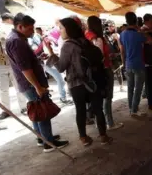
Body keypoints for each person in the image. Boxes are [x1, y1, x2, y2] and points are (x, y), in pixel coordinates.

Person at [5, 13, 69, 153]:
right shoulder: (17, 42)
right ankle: (49, 142)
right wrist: (38, 87)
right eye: (30, 29)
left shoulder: (16, 39)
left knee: (35, 109)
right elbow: (26, 69)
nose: (32, 32)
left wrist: (37, 57)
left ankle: (42, 138)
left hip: (27, 83)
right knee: (41, 111)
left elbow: (26, 63)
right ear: (20, 26)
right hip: (30, 84)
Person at [47, 17, 113, 146]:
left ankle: (84, 137)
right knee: (98, 109)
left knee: (81, 110)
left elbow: (61, 67)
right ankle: (103, 135)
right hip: (92, 82)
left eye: (61, 28)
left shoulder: (68, 45)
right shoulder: (85, 41)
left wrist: (51, 53)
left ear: (69, 29)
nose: (59, 31)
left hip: (76, 84)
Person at [86, 16, 124, 130]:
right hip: (104, 70)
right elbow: (100, 57)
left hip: (93, 72)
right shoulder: (97, 39)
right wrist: (109, 57)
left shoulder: (86, 36)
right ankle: (109, 123)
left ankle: (101, 122)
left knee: (98, 98)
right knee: (107, 97)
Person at [119, 12, 152, 117]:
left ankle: (131, 108)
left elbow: (122, 51)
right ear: (136, 21)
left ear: (126, 21)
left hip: (128, 64)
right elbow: (151, 41)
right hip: (138, 64)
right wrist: (141, 31)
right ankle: (134, 110)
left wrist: (123, 62)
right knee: (138, 89)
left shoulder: (122, 34)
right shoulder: (138, 35)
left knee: (130, 88)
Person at [29, 27, 72, 104]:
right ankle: (63, 98)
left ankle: (64, 96)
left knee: (61, 80)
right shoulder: (48, 40)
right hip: (50, 64)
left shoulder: (54, 40)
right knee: (61, 80)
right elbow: (48, 52)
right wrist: (53, 53)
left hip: (53, 63)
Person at [141, 14, 152, 111]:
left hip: (151, 61)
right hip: (147, 62)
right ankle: (151, 104)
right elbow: (151, 41)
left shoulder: (147, 31)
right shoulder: (143, 31)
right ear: (146, 22)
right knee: (150, 83)